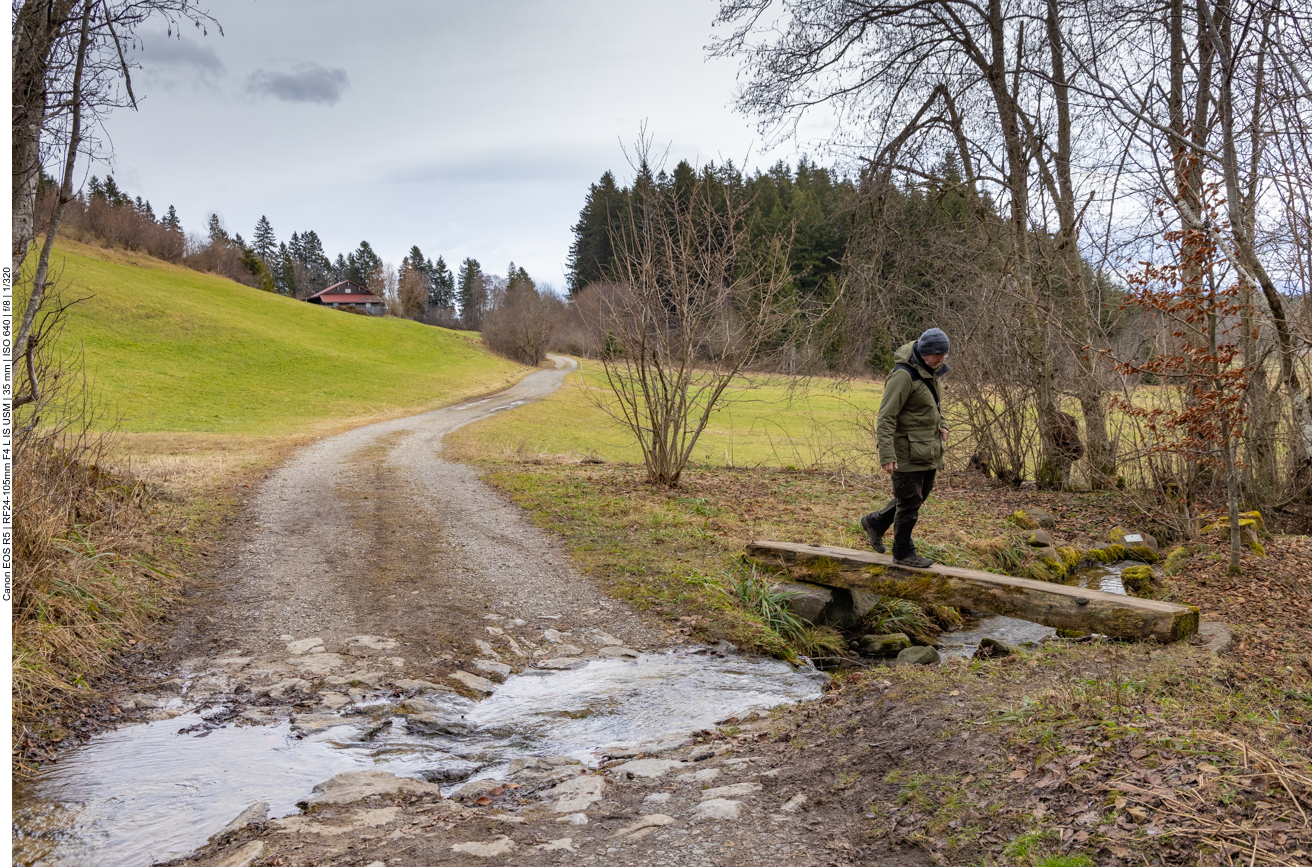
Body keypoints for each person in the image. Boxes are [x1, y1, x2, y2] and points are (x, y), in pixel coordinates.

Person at [860, 328, 950, 568]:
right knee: (909, 502)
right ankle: (903, 552)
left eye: (945, 355)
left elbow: (934, 406)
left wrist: (943, 424)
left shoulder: (931, 372)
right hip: (906, 451)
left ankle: (875, 523)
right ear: (925, 351)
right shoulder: (902, 376)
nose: (942, 359)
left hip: (928, 448)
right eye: (938, 354)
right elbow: (886, 416)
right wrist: (887, 454)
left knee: (915, 499)